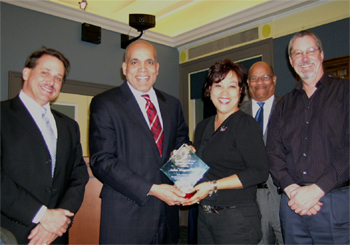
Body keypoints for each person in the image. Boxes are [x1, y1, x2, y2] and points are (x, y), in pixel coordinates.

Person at [89, 40, 191, 244]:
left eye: (149, 62)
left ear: (157, 68)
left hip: (168, 217)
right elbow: (102, 161)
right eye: (135, 62)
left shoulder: (172, 104)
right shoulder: (105, 103)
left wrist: (186, 160)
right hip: (125, 218)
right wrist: (152, 189)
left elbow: (181, 144)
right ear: (125, 68)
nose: (143, 69)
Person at [266, 30, 349, 244]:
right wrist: (293, 190)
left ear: (321, 55)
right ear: (291, 60)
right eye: (297, 53)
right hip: (291, 204)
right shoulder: (283, 105)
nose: (304, 58)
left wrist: (317, 189)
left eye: (310, 51)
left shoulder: (346, 92)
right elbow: (273, 153)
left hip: (335, 202)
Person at [1, 47, 89, 245]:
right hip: (10, 234)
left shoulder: (69, 126)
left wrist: (60, 218)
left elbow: (78, 176)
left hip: (56, 235)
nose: (52, 81)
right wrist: (42, 216)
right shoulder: (2, 115)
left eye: (58, 78)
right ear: (26, 73)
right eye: (45, 73)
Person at [182, 59, 269, 244]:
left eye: (232, 86)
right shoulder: (203, 125)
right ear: (209, 90)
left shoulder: (245, 124)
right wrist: (186, 158)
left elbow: (259, 172)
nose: (224, 92)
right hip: (205, 217)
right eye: (218, 85)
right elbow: (205, 169)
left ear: (240, 91)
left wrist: (212, 186)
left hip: (236, 219)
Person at [240, 61, 283, 244]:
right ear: (248, 83)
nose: (260, 82)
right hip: (250, 198)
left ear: (274, 80)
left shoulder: (289, 107)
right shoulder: (237, 114)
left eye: (265, 77)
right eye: (254, 78)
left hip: (283, 196)